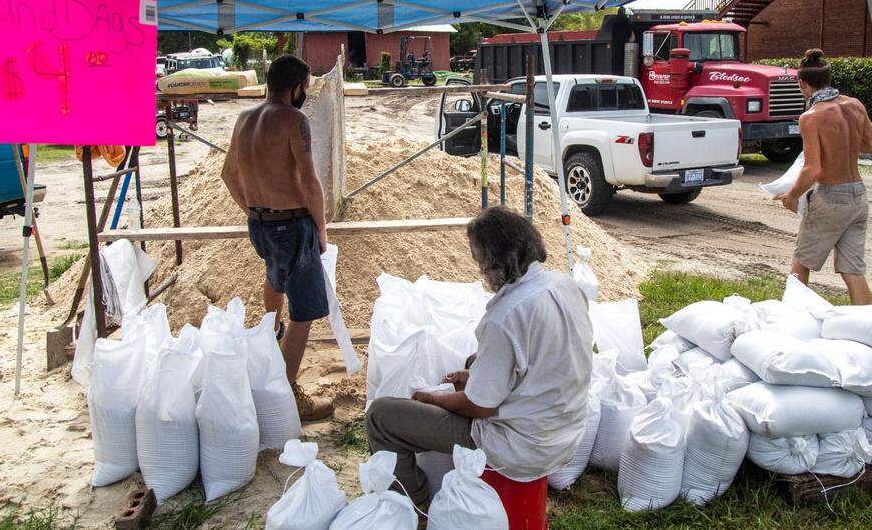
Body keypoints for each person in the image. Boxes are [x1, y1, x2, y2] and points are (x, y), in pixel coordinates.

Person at [365, 207, 593, 509]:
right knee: (475, 361)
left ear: (496, 263)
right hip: (567, 432)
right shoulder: (565, 286)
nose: (482, 273)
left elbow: (479, 407)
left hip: (520, 446)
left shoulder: (505, 316)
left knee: (382, 417)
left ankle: (416, 506)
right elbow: (540, 363)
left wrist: (431, 399)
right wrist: (476, 376)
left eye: (481, 264)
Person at [221, 54, 333, 421]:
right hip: (292, 223)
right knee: (307, 310)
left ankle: (270, 343)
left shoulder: (244, 118)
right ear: (297, 85)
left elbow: (228, 174)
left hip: (261, 223)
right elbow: (309, 180)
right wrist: (320, 227)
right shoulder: (294, 120)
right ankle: (286, 396)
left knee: (276, 279)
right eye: (307, 86)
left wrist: (251, 209)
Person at [776, 48, 872, 305]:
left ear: (802, 83)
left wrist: (791, 196)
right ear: (828, 79)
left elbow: (813, 169)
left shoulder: (811, 117)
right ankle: (867, 324)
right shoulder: (854, 105)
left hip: (831, 197)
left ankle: (790, 319)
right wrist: (842, 145)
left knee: (801, 263)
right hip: (858, 196)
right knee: (852, 270)